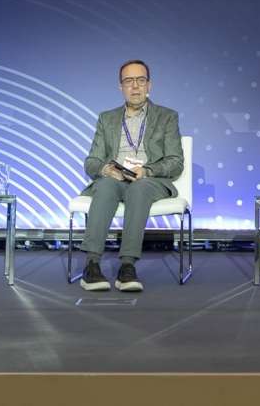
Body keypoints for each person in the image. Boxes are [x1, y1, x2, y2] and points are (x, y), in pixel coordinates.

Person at [78, 59, 183, 292]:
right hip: (115, 179)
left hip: (149, 180)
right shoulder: (107, 118)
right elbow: (91, 161)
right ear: (121, 87)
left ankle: (127, 266)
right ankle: (92, 265)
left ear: (149, 85)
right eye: (129, 81)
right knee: (105, 185)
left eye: (140, 80)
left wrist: (147, 170)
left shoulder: (167, 117)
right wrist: (105, 169)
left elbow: (175, 162)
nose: (135, 86)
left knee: (139, 187)